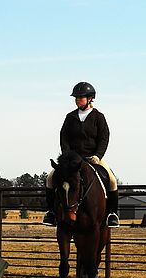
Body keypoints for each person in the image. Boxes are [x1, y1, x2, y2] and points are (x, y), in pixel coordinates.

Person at [43, 81, 120, 228]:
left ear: (90, 98)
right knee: (50, 178)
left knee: (112, 180)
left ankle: (112, 214)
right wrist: (67, 156)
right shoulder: (70, 117)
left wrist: (98, 155)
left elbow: (104, 138)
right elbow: (63, 137)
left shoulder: (99, 117)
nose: (77, 100)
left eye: (81, 97)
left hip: (93, 158)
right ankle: (51, 212)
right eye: (76, 98)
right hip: (72, 160)